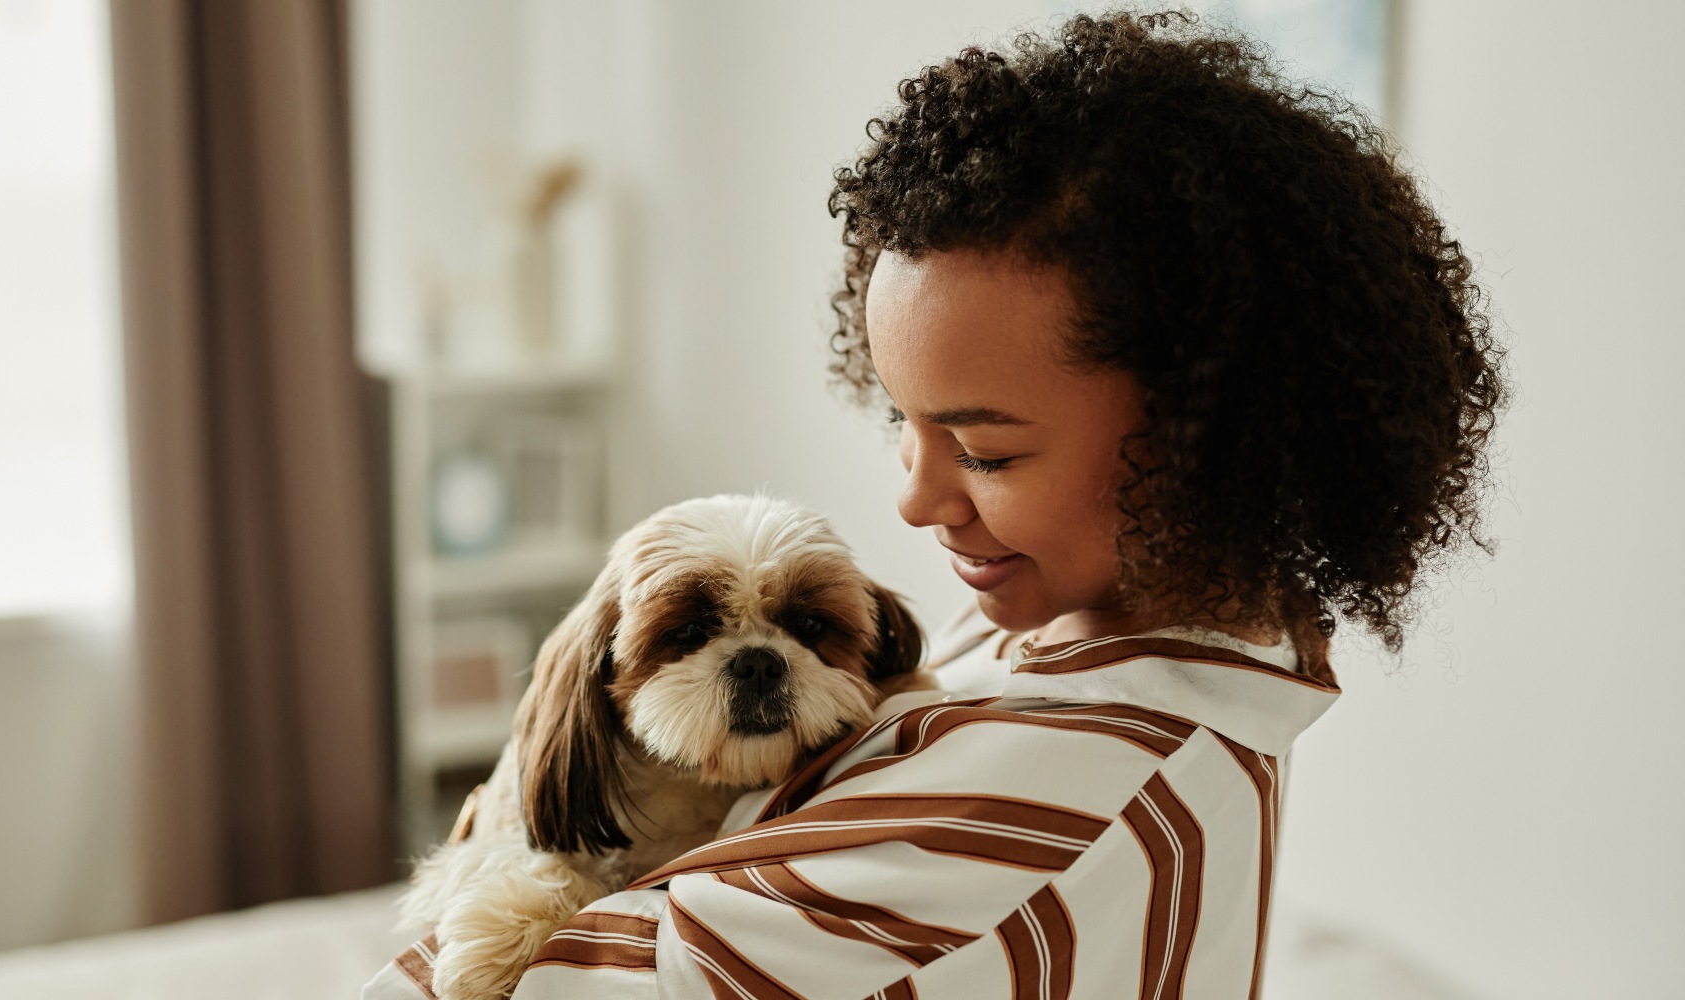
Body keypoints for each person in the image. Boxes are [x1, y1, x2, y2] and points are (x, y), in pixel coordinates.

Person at [366, 10, 1504, 999]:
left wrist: (503, 811)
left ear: (1212, 436)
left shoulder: (1045, 808)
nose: (913, 502)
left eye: (985, 452)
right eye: (902, 424)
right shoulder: (1114, 621)